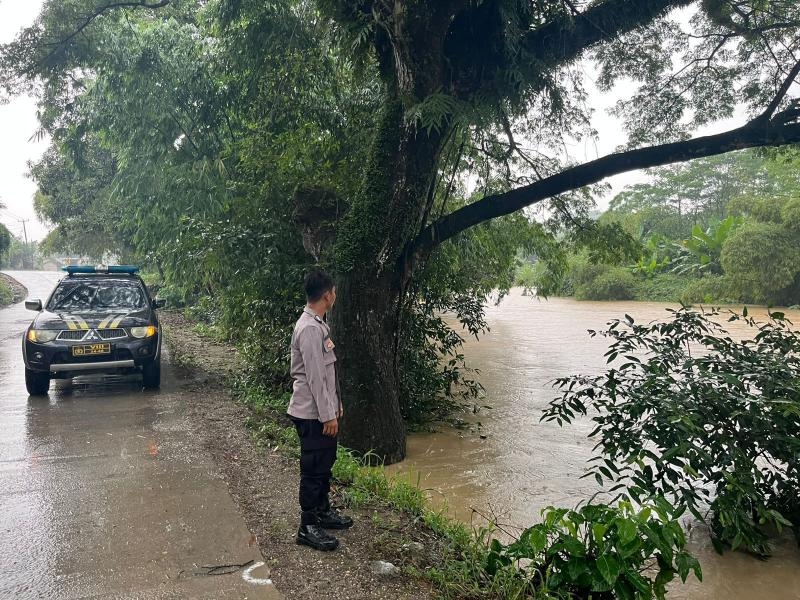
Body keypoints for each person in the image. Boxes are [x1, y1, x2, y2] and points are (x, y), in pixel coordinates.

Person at [287, 268, 353, 551]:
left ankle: (322, 511)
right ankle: (308, 526)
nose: (335, 295)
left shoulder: (318, 324)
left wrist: (335, 405)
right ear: (327, 295)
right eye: (334, 292)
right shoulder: (311, 328)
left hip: (323, 411)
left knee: (325, 464)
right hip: (312, 414)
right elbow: (314, 376)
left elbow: (328, 375)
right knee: (313, 470)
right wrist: (327, 415)